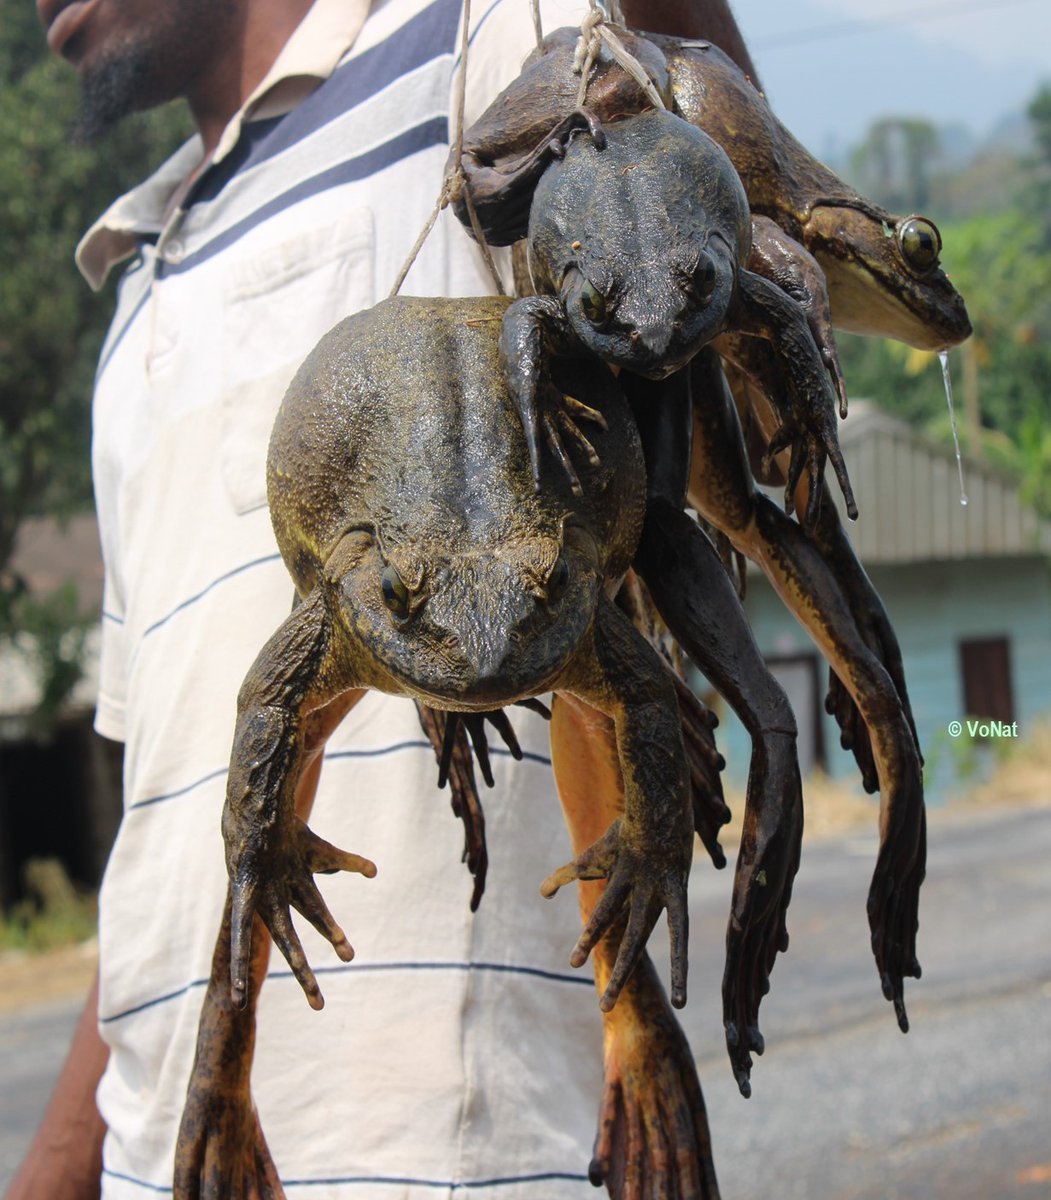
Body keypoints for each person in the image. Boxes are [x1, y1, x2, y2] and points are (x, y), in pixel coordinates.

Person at [10, 1, 757, 1196]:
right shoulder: (135, 264)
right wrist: (66, 1157)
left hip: (452, 1146)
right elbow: (182, 800)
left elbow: (703, 168)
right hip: (180, 1140)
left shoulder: (496, 47)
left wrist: (637, 1005)